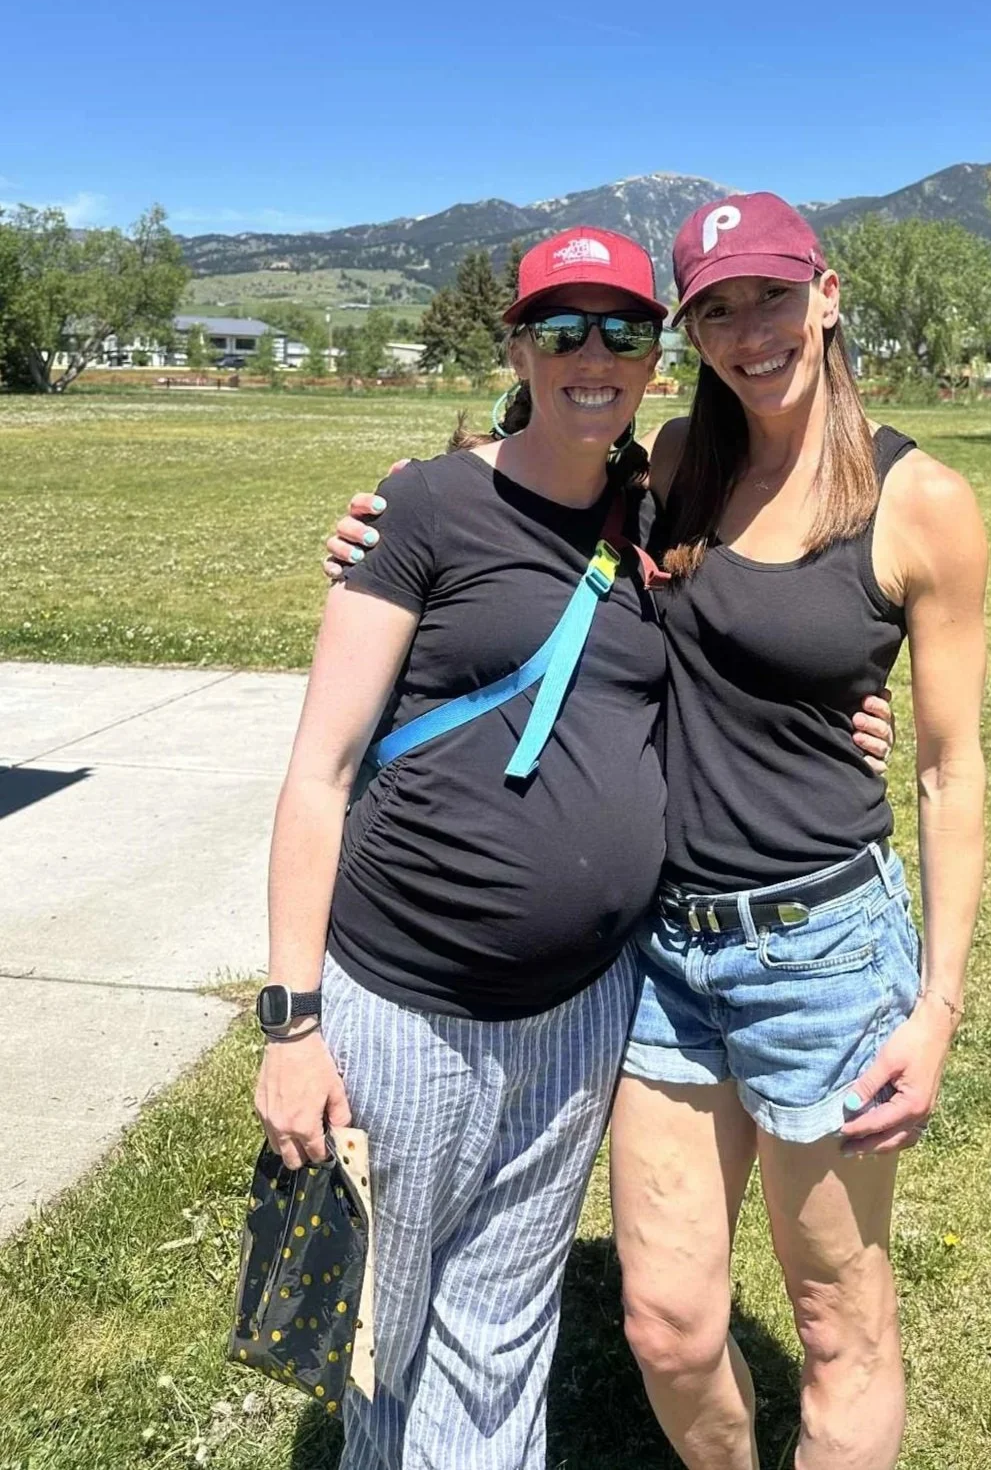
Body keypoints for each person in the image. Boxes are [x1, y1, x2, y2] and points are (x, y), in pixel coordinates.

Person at [324, 195, 982, 1470]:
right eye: (718, 309)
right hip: (666, 957)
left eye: (773, 296)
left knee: (838, 1323)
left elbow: (954, 773)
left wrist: (940, 1004)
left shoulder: (922, 502)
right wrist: (379, 530)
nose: (752, 332)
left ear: (828, 294)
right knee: (669, 1325)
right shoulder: (675, 460)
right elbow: (526, 507)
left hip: (825, 953)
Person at [254, 226, 674, 1470]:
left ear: (656, 358)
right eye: (561, 329)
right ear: (518, 349)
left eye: (623, 330)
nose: (592, 356)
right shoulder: (426, 504)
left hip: (584, 1009)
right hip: (409, 1005)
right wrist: (290, 1026)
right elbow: (318, 775)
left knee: (502, 1332)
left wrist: (851, 719)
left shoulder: (654, 519)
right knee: (389, 1329)